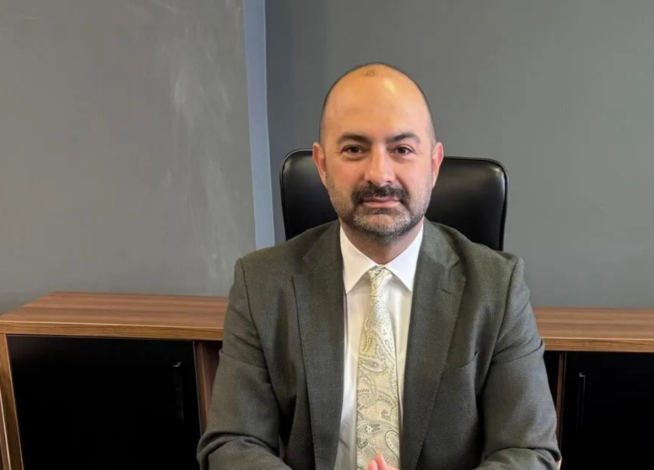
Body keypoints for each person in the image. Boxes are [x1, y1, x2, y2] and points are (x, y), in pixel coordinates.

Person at [197, 63, 561, 470]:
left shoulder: (498, 287)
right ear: (322, 165)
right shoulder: (262, 283)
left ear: (434, 165)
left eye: (402, 149)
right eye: (354, 149)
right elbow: (232, 443)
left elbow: (529, 450)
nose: (379, 174)